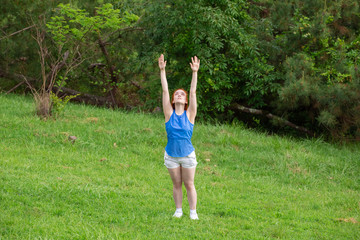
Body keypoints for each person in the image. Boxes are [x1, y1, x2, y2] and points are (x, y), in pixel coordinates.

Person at [158, 54, 200, 220]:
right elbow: (165, 90)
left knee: (189, 184)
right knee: (176, 184)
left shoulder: (190, 114)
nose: (180, 95)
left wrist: (195, 72)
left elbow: (193, 91)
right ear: (173, 100)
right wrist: (162, 70)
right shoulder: (169, 114)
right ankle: (178, 210)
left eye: (183, 94)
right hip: (171, 156)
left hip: (188, 155)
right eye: (177, 94)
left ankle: (193, 212)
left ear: (186, 100)